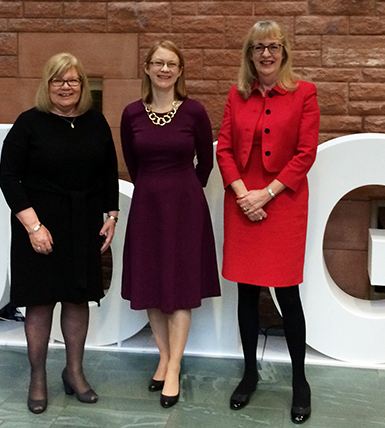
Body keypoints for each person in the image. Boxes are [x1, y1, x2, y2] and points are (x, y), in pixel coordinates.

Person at [0, 53, 119, 414]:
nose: (65, 87)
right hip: (39, 226)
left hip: (82, 224)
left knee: (77, 299)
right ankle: (38, 378)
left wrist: (111, 214)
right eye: (57, 81)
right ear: (46, 85)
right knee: (40, 302)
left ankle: (75, 372)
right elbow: (8, 177)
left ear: (83, 85)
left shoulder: (96, 122)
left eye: (73, 80)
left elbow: (108, 171)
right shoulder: (29, 124)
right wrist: (33, 226)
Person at [216, 21, 320, 424]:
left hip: (283, 203)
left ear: (284, 51)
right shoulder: (236, 95)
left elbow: (305, 153)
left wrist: (266, 194)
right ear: (249, 54)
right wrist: (244, 195)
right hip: (243, 201)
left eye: (273, 46)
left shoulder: (304, 93)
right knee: (246, 293)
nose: (266, 54)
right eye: (258, 47)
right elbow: (224, 149)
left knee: (287, 295)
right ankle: (249, 373)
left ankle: (299, 382)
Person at [120, 40, 221, 409]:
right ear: (147, 68)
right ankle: (164, 356)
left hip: (184, 207)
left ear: (180, 72)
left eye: (172, 64)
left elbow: (206, 165)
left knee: (179, 286)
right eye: (158, 63)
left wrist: (183, 189)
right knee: (150, 284)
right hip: (147, 205)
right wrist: (153, 187)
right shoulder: (131, 113)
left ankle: (174, 367)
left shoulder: (194, 111)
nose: (165, 69)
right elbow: (132, 162)